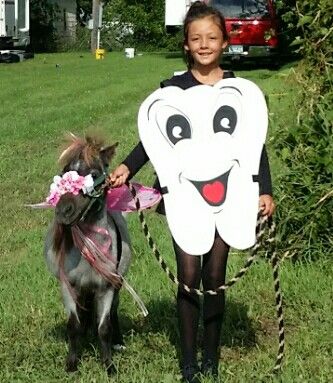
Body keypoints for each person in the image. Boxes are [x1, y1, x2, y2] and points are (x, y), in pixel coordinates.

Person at [110, 2, 275, 382]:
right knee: (188, 274)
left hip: (228, 196)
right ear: (186, 44)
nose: (204, 44)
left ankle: (211, 360)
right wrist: (126, 167)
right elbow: (153, 139)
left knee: (215, 276)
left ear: (224, 42)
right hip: (185, 199)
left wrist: (263, 190)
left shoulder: (239, 91)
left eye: (212, 38)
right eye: (196, 38)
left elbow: (252, 145)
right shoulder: (171, 90)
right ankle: (188, 363)